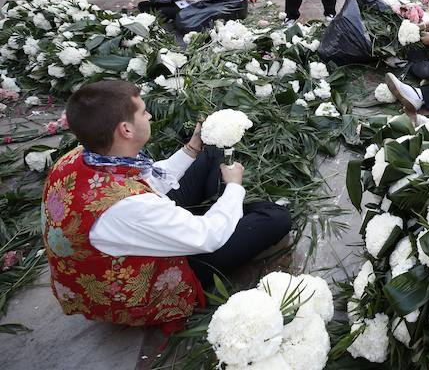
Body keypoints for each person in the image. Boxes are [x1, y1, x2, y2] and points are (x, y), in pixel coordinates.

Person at [42, 80, 291, 327]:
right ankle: (221, 208)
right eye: (143, 111)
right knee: (275, 217)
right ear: (126, 129)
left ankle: (216, 206)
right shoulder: (131, 208)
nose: (149, 115)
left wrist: (193, 148)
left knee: (211, 150)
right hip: (146, 280)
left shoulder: (78, 157)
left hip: (136, 226)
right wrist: (235, 187)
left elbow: (147, 178)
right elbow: (206, 237)